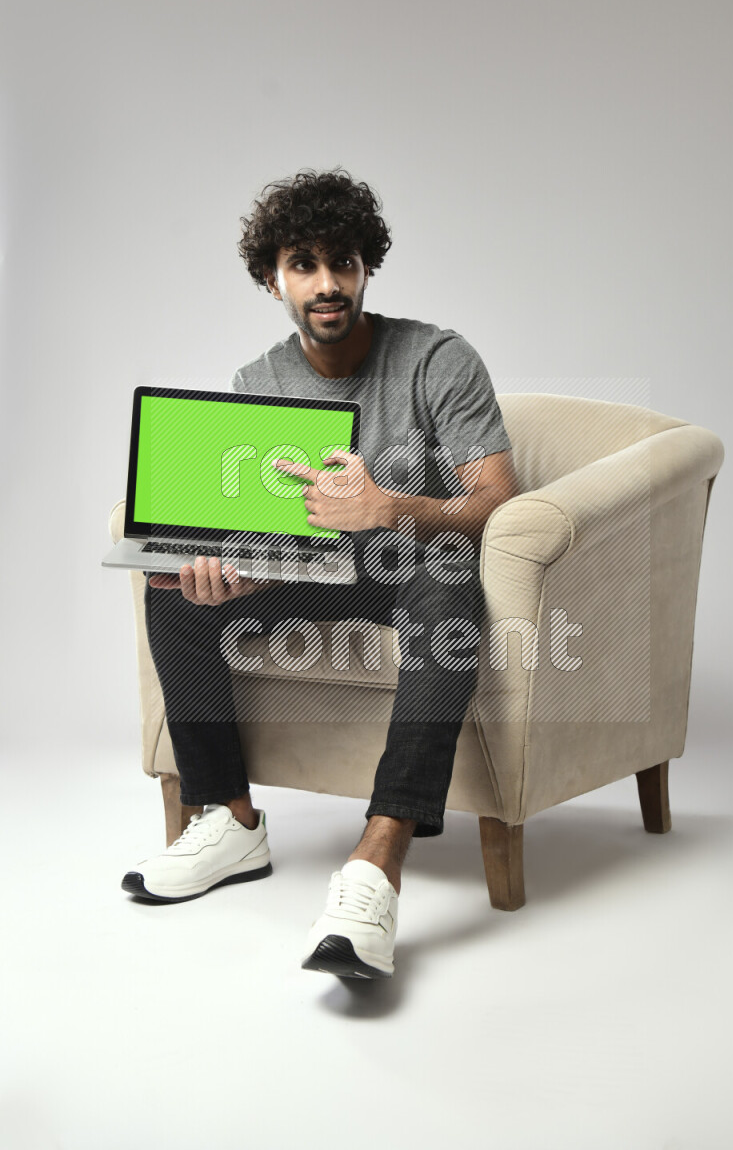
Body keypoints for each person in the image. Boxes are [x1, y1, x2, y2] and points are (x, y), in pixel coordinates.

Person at [122, 167, 518, 980]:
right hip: (315, 571)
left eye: (343, 261)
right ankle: (231, 820)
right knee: (175, 593)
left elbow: (496, 502)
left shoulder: (437, 358)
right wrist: (237, 572)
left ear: (367, 268)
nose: (327, 282)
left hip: (417, 564)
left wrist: (388, 508)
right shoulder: (257, 382)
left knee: (447, 583)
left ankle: (378, 860)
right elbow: (266, 533)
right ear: (274, 280)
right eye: (303, 264)